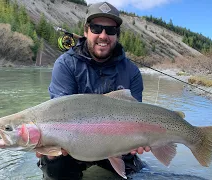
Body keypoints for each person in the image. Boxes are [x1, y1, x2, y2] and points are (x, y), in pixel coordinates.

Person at [36, 2, 150, 179]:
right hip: (74, 146)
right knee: (53, 163)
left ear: (117, 35)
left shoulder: (132, 72)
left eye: (110, 31)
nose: (103, 36)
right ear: (86, 31)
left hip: (118, 142)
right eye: (96, 28)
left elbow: (137, 116)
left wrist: (141, 139)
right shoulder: (66, 65)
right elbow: (59, 114)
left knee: (139, 173)